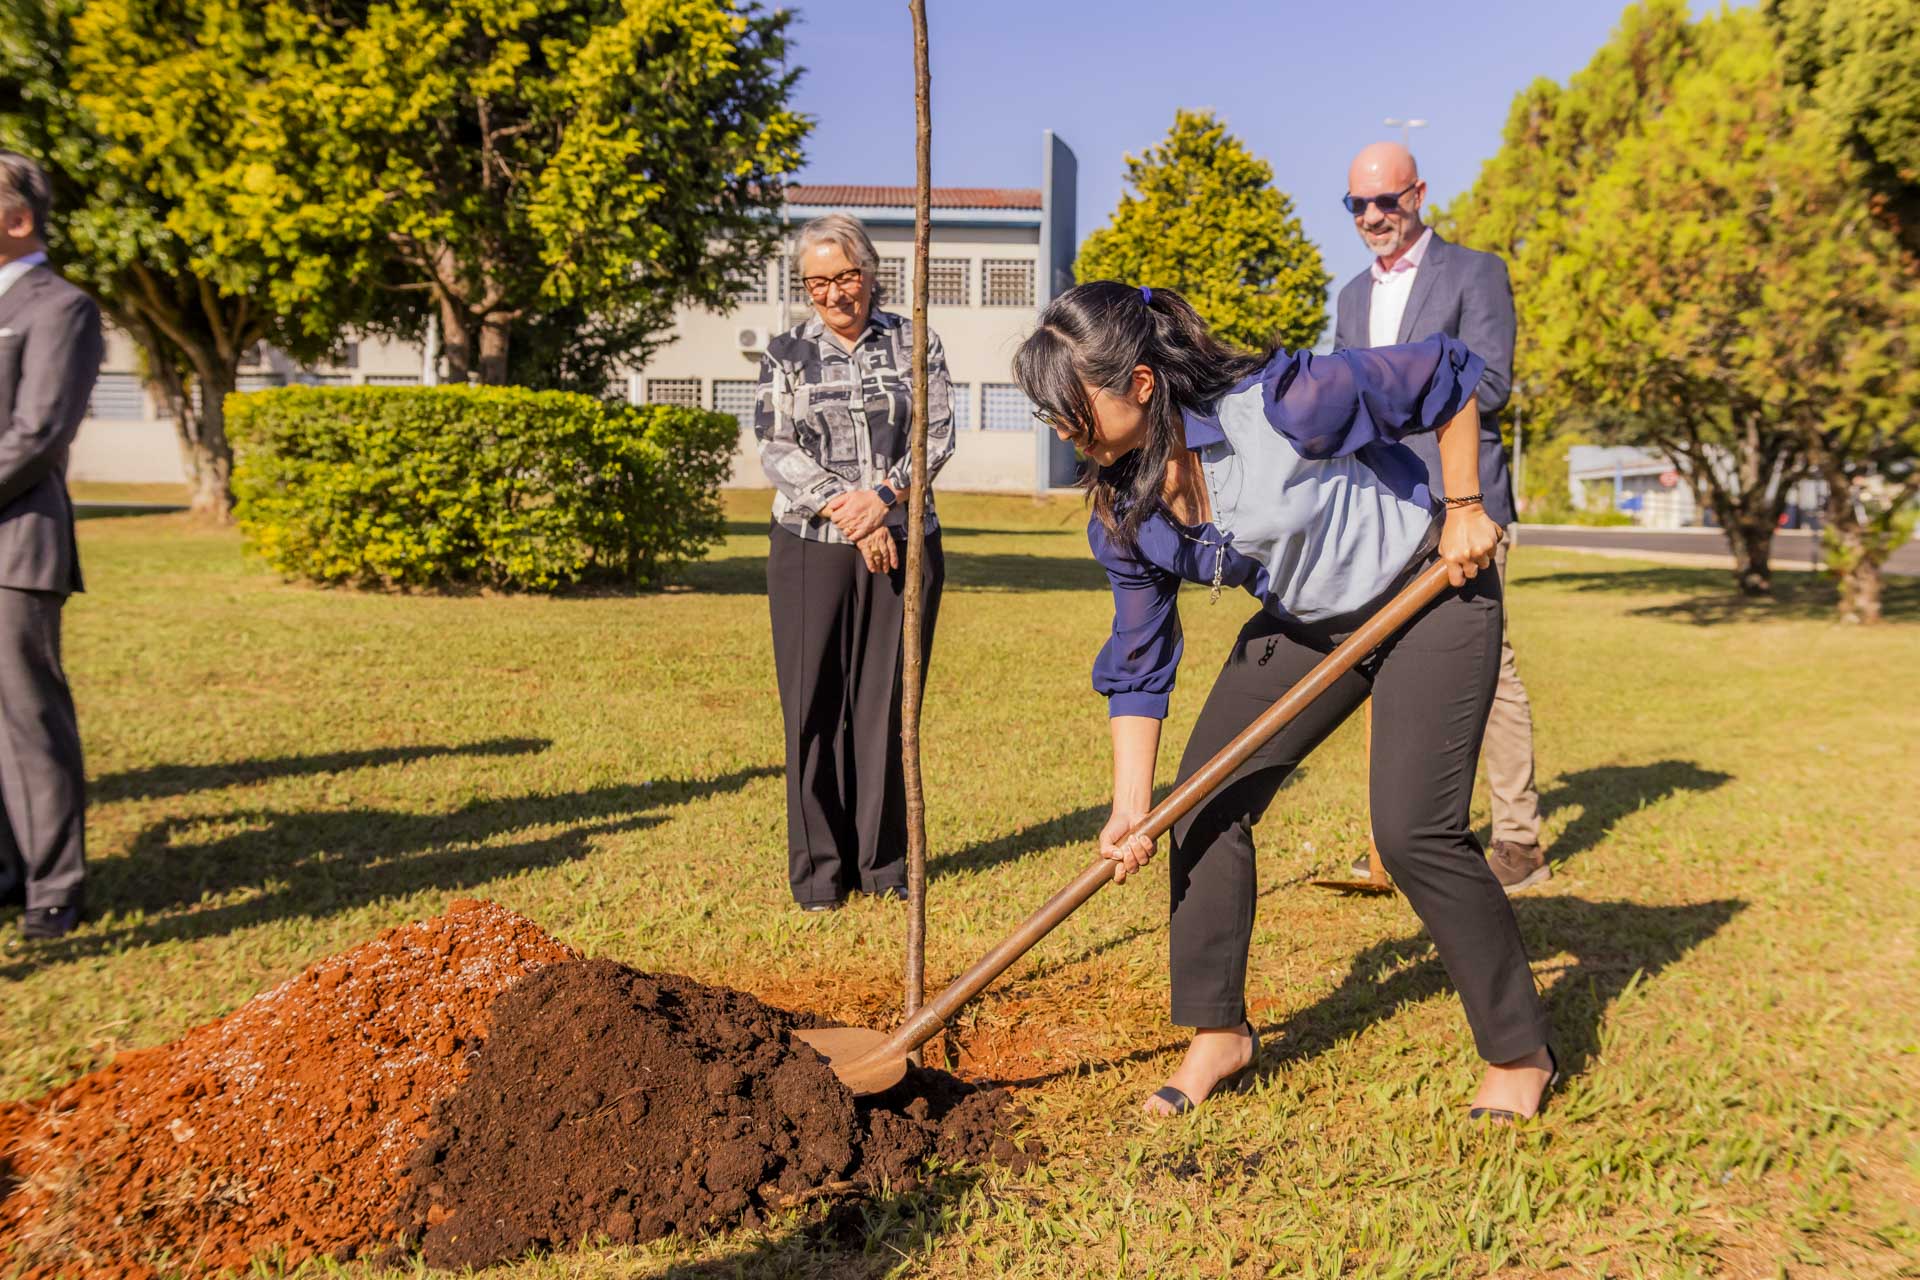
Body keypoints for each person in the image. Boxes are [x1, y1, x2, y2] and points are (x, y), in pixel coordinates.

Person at [1012, 282, 1556, 1121]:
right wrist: (1132, 807)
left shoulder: (1284, 404)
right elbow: (1140, 660)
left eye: (1069, 406)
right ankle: (1217, 1034)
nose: (1058, 427)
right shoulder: (1125, 509)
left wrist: (1465, 508)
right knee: (1197, 807)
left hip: (1431, 587)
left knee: (1414, 831)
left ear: (1142, 385)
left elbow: (1449, 376)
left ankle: (1521, 1052)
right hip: (1310, 624)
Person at [1334, 142, 1546, 892]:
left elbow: (1490, 384)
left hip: (1467, 507)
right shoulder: (1352, 296)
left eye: (1385, 201)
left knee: (1492, 669)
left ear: (1418, 193)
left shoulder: (1477, 272)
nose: (1371, 218)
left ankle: (1518, 841)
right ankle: (1398, 845)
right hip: (1382, 511)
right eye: (1356, 205)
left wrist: (1391, 385)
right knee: (1385, 663)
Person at [755, 214, 954, 911]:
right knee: (813, 707)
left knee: (888, 706)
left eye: (844, 277)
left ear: (870, 274)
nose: (834, 293)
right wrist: (853, 508)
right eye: (817, 283)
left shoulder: (913, 339)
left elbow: (937, 433)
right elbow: (776, 448)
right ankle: (819, 875)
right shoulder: (785, 351)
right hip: (810, 549)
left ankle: (885, 864)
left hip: (907, 543)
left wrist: (886, 501)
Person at [0, 151, 100, 944]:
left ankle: (54, 888)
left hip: (17, 546)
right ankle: (7, 868)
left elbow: (36, 434)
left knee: (29, 719)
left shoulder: (59, 307)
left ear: (19, 218)